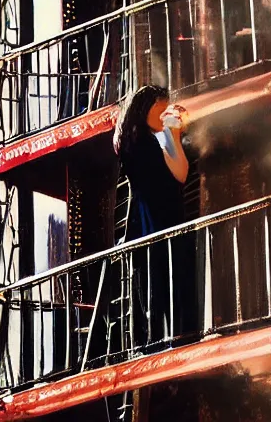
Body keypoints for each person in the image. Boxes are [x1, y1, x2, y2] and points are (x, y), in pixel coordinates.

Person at [113, 84, 195, 346]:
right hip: (161, 220)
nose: (164, 114)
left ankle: (157, 338)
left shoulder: (133, 141)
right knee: (167, 280)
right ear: (146, 108)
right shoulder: (144, 143)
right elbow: (179, 172)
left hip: (150, 221)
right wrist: (172, 133)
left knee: (156, 282)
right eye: (161, 108)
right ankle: (170, 338)